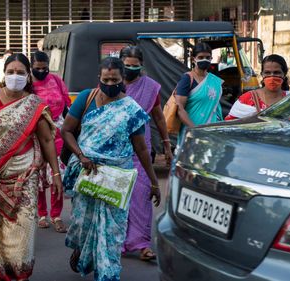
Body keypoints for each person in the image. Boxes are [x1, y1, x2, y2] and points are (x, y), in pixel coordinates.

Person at [62, 57, 160, 281]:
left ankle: (107, 274)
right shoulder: (86, 98)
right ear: (99, 78)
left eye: (115, 79)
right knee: (82, 225)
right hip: (87, 173)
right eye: (106, 79)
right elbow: (66, 130)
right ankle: (82, 250)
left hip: (117, 177)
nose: (110, 83)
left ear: (121, 79)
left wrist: (154, 182)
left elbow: (142, 149)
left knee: (112, 232)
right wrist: (81, 156)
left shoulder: (131, 109)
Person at [0, 53, 63, 281]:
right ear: (4, 73)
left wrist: (56, 172)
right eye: (11, 72)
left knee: (24, 226)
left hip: (25, 174)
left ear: (28, 75)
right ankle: (0, 272)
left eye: (20, 73)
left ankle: (21, 274)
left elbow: (47, 140)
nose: (15, 76)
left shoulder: (35, 105)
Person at [119, 46, 172, 261]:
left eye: (135, 65)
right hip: (115, 149)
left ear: (141, 65)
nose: (130, 69)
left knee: (141, 194)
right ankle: (118, 242)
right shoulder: (112, 83)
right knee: (118, 198)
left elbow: (159, 117)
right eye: (127, 65)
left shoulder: (150, 87)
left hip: (141, 149)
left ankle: (141, 243)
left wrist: (167, 144)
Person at [31, 50, 71, 233]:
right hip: (36, 133)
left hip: (57, 133)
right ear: (32, 67)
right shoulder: (28, 83)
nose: (41, 71)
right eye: (37, 68)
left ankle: (56, 215)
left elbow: (66, 103)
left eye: (44, 68)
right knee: (39, 177)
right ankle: (41, 214)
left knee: (57, 176)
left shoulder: (56, 80)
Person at [176, 42, 223, 141]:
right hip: (192, 134)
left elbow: (216, 108)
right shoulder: (187, 79)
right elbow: (180, 109)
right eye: (200, 57)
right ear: (194, 59)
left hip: (211, 132)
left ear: (211, 59)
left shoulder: (214, 80)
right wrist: (195, 130)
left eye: (207, 57)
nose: (204, 60)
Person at [226, 54, 290, 120]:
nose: (272, 76)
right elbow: (230, 125)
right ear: (262, 74)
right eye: (267, 72)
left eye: (276, 72)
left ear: (284, 74)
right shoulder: (247, 99)